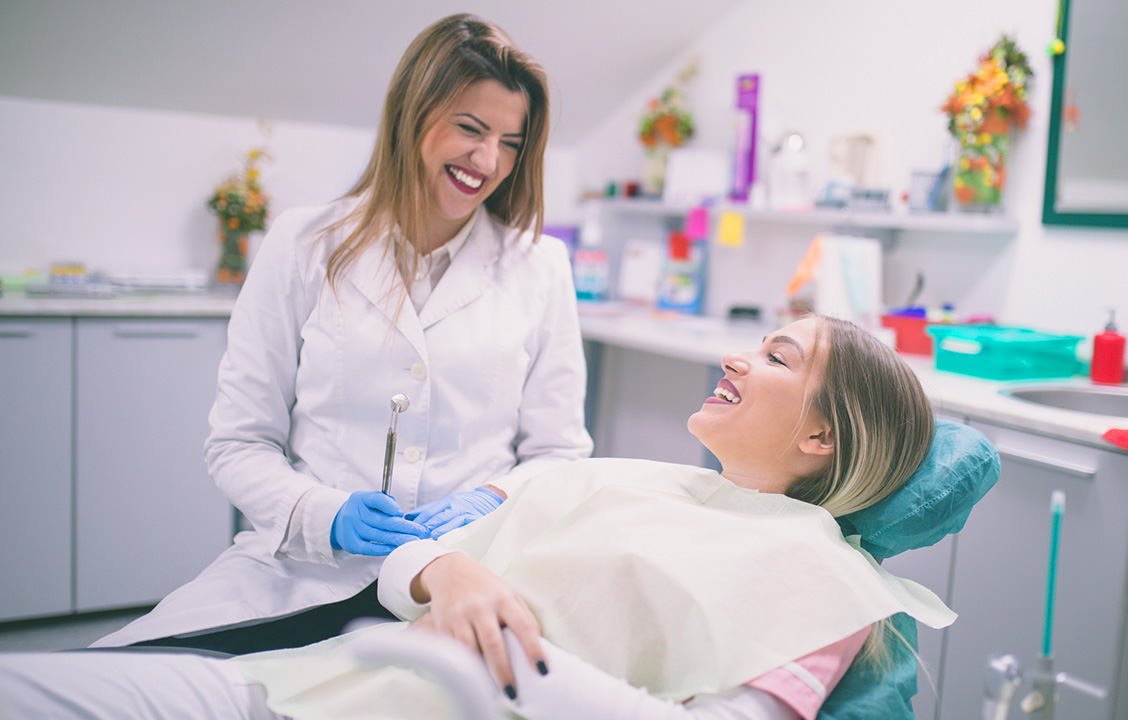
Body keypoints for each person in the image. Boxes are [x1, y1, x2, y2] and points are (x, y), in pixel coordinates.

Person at [0, 316, 957, 720]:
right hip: (300, 686)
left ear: (824, 438)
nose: (740, 359)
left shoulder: (828, 588)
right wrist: (441, 574)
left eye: (779, 358)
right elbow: (407, 566)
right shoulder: (622, 475)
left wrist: (495, 672)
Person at [92, 13, 593, 654]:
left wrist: (493, 498)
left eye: (510, 142)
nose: (488, 160)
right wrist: (325, 515)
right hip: (301, 570)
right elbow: (239, 444)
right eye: (469, 128)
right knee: (135, 675)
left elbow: (559, 456)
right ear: (412, 115)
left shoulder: (539, 266)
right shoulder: (303, 244)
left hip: (472, 570)